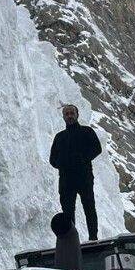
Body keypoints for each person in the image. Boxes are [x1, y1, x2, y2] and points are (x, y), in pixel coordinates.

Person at [48, 103, 101, 240]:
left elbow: (97, 148)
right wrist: (62, 163)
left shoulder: (87, 131)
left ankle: (93, 238)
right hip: (66, 180)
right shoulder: (59, 137)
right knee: (68, 212)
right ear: (63, 117)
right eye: (67, 114)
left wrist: (82, 158)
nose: (70, 116)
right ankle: (71, 240)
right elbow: (52, 159)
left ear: (77, 115)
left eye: (72, 113)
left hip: (84, 178)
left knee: (89, 208)